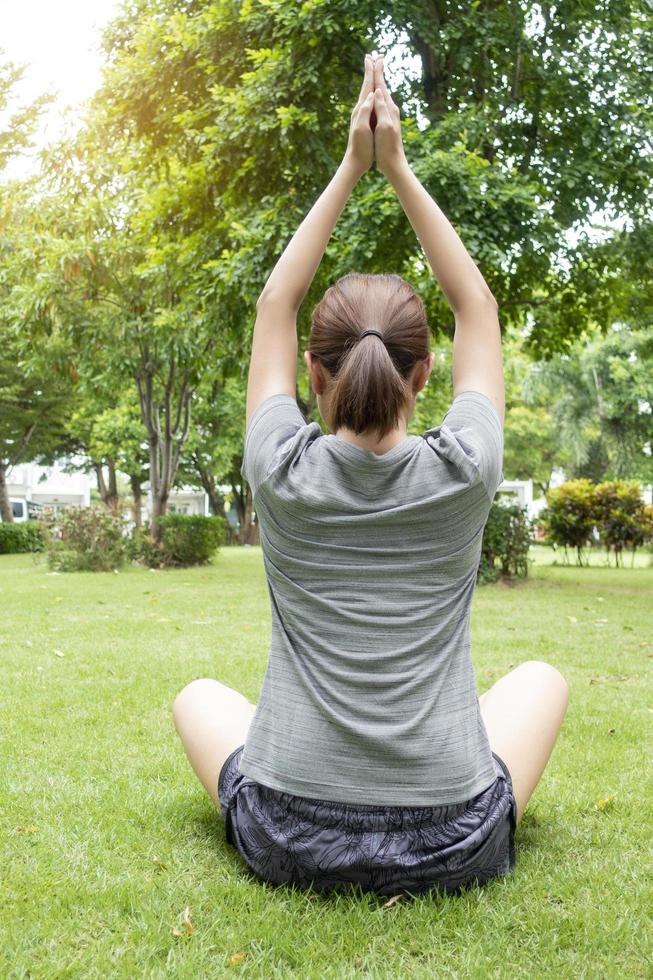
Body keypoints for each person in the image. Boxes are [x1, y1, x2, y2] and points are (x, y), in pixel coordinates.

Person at [173, 51, 569, 897]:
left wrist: (350, 170)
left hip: (288, 835)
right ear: (422, 376)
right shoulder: (465, 469)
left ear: (312, 375)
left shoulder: (278, 470)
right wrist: (397, 168)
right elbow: (478, 310)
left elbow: (274, 304)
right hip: (449, 844)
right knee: (542, 682)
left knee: (197, 697)